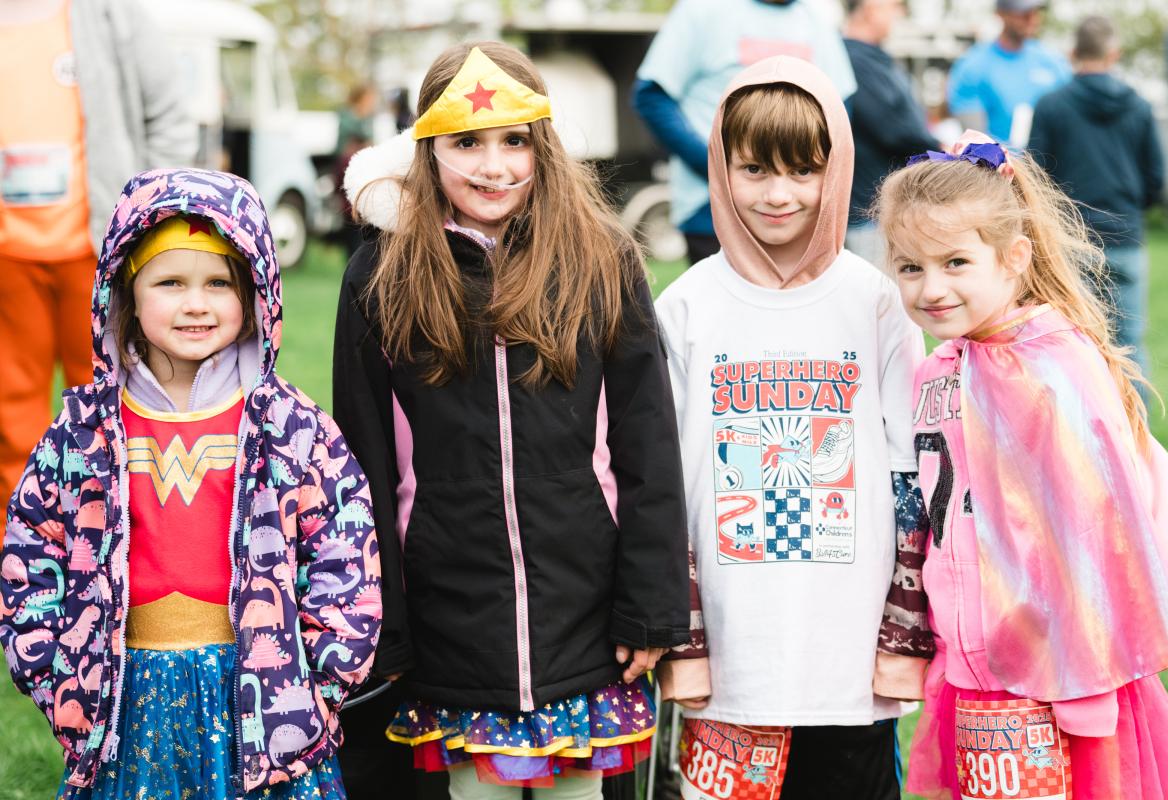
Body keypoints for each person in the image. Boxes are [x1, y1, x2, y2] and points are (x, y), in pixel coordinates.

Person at [335, 42, 691, 799]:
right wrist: (384, 623)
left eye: (514, 141)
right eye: (467, 143)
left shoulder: (604, 259)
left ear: (543, 145)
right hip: (449, 625)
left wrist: (650, 607)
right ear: (428, 150)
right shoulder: (380, 273)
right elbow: (362, 463)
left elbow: (648, 445)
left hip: (587, 621)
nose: (493, 166)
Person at [0, 169, 381, 799]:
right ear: (125, 291)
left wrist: (318, 681)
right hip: (125, 701)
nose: (196, 303)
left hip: (262, 696)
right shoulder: (85, 433)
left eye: (218, 283)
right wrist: (55, 671)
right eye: (170, 282)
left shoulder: (291, 428)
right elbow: (31, 551)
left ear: (255, 292)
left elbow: (343, 550)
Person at [875, 135, 1168, 798]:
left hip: (1062, 684)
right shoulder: (939, 369)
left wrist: (1084, 689)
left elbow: (1098, 530)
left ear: (1013, 259)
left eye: (956, 262)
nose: (932, 288)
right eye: (910, 267)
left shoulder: (1052, 367)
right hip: (972, 670)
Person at [653, 56, 929, 800]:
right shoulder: (684, 308)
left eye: (803, 171)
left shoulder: (877, 303)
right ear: (721, 170)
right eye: (754, 170)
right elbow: (660, 483)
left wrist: (903, 632)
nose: (779, 195)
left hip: (848, 659)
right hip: (733, 656)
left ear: (835, 171)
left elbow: (912, 475)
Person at [0, 0, 196, 502]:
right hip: (8, 258)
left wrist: (148, 214)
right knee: (9, 420)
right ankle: (18, 540)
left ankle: (112, 532)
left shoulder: (111, 13)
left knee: (112, 411)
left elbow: (170, 116)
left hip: (100, 251)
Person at [633, 0, 857, 265]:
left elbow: (838, 109)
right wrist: (718, 167)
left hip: (799, 208)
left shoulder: (817, 17)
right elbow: (652, 97)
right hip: (708, 206)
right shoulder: (700, 9)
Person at [1028, 15, 1163, 374]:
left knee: (1072, 344)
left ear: (1073, 52)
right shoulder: (1140, 107)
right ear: (1114, 54)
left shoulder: (1051, 106)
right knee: (1130, 346)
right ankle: (1133, 413)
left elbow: (1035, 177)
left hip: (1072, 242)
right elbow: (1155, 179)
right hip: (1126, 238)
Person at [843, 0, 942, 267]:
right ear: (871, 6)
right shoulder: (851, 59)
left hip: (892, 206)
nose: (900, 13)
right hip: (869, 209)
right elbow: (894, 130)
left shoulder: (875, 57)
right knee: (880, 287)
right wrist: (939, 148)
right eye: (895, 5)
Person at [946, 0, 1069, 148]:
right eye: (1023, 14)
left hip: (1051, 159)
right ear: (1001, 14)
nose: (1032, 19)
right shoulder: (972, 67)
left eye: (1035, 12)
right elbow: (977, 143)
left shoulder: (1053, 62)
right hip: (1001, 160)